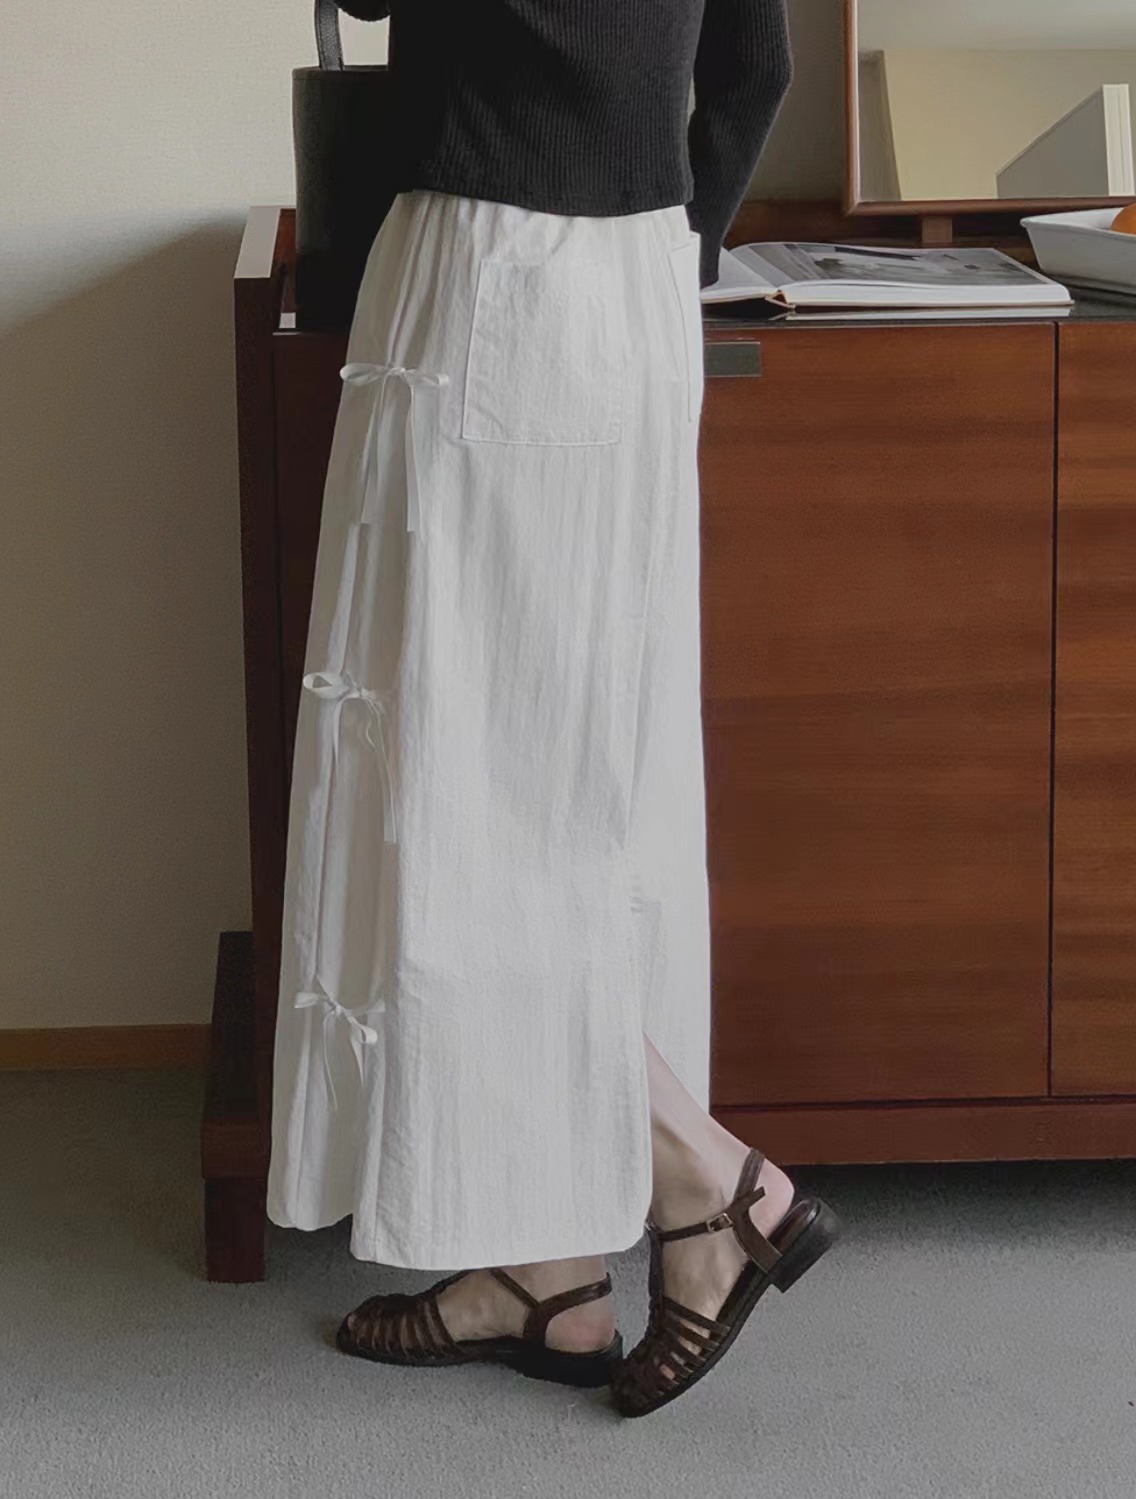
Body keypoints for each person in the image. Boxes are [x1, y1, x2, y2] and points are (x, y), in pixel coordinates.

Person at [267, 0, 839, 1417]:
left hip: (493, 274)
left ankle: (708, 1182)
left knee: (477, 800)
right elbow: (756, 67)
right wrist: (666, 244)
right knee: (580, 786)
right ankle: (550, 1272)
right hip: (633, 281)